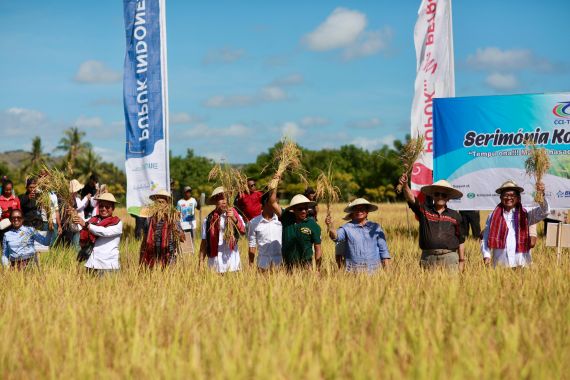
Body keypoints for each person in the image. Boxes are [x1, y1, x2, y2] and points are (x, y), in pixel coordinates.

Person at [399, 174, 465, 271]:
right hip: (428, 258)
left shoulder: (455, 215)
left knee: (451, 286)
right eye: (437, 194)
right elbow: (411, 199)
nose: (440, 197)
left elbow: (461, 240)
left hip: (450, 258)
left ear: (448, 198)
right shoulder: (424, 210)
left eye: (444, 195)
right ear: (432, 195)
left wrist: (462, 261)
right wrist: (405, 185)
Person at [481, 180, 549, 268]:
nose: (509, 198)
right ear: (501, 197)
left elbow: (544, 212)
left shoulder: (526, 214)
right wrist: (486, 255)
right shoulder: (492, 216)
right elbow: (486, 238)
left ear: (518, 198)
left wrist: (541, 195)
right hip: (500, 266)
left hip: (522, 264)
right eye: (506, 195)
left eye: (512, 195)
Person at [325, 198, 391, 272]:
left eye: (362, 209)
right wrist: (330, 226)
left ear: (367, 211)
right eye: (356, 209)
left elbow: (384, 251)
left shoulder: (376, 227)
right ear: (353, 212)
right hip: (353, 272)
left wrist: (388, 273)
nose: (359, 211)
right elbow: (336, 237)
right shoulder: (346, 228)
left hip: (374, 272)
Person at [269, 189, 322, 270]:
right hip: (287, 266)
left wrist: (318, 270)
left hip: (306, 267)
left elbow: (317, 248)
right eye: (300, 209)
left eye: (306, 208)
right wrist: (275, 183)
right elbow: (272, 202)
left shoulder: (313, 225)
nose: (304, 211)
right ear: (293, 209)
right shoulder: (286, 217)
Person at [73, 193, 122, 275]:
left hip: (108, 266)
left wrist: (86, 224)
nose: (104, 209)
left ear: (113, 208)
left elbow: (103, 231)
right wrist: (73, 215)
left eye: (107, 207)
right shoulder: (93, 220)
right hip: (92, 264)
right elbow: (82, 226)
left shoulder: (117, 222)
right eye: (101, 206)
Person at [200, 187, 246, 273]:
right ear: (215, 201)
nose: (224, 201)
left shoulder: (235, 215)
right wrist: (201, 262)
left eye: (226, 198)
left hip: (232, 263)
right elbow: (204, 242)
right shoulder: (208, 220)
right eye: (221, 198)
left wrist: (233, 218)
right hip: (215, 264)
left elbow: (243, 231)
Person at [140, 189, 184, 268]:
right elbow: (145, 238)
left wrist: (176, 229)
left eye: (162, 202)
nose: (160, 204)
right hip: (153, 255)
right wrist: (142, 253)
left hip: (169, 255)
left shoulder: (173, 217)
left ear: (167, 203)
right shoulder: (149, 219)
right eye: (158, 202)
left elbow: (182, 238)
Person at [248, 191, 282, 270]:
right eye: (274, 202)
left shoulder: (281, 220)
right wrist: (251, 265)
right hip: (262, 265)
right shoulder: (254, 222)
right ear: (267, 203)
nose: (277, 205)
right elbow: (252, 245)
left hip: (280, 264)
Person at [176, 186, 199, 253]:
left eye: (189, 192)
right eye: (186, 192)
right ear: (184, 193)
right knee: (185, 242)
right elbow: (177, 213)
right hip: (183, 225)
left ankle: (192, 255)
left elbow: (198, 207)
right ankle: (186, 255)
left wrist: (200, 201)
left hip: (192, 225)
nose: (188, 193)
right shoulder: (180, 202)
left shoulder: (193, 200)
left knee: (192, 241)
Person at [0, 180, 20, 245]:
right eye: (6, 190)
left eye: (10, 190)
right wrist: (3, 212)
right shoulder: (0, 200)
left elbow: (20, 212)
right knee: (4, 244)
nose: (8, 192)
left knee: (14, 244)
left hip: (14, 225)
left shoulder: (16, 199)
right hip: (3, 226)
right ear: (3, 189)